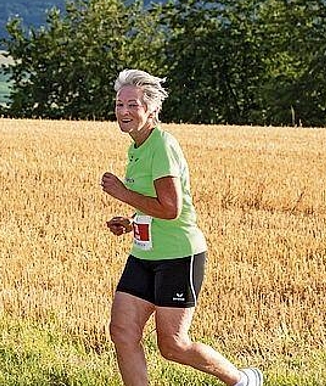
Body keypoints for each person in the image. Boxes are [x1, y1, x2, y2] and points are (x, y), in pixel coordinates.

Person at [100, 69, 263, 386]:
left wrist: (122, 193)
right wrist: (131, 222)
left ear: (151, 109)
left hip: (178, 256)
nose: (123, 111)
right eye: (120, 104)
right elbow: (154, 204)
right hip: (145, 254)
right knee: (122, 331)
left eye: (132, 105)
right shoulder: (137, 146)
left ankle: (242, 380)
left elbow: (172, 210)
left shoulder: (162, 145)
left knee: (173, 345)